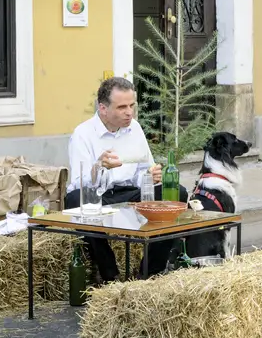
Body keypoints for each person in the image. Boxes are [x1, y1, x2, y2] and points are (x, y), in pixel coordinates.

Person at [65, 77, 189, 283]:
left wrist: (151, 176)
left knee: (178, 193)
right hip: (99, 194)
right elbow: (78, 182)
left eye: (132, 105)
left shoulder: (135, 129)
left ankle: (149, 273)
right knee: (75, 200)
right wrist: (99, 166)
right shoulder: (83, 134)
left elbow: (144, 171)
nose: (129, 112)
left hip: (130, 192)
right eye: (122, 107)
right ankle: (109, 274)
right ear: (103, 108)